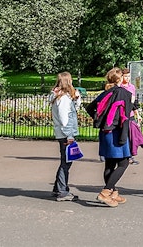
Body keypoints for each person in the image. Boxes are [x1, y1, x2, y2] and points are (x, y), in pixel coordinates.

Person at [86, 67, 134, 207]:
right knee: (124, 163)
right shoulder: (124, 93)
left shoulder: (106, 93)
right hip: (118, 131)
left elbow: (90, 107)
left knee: (110, 164)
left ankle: (113, 192)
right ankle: (105, 192)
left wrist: (99, 120)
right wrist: (124, 136)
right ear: (120, 79)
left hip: (105, 131)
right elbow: (125, 116)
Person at [48, 71, 81, 201]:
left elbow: (74, 110)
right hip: (66, 134)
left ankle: (58, 188)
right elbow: (64, 118)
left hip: (62, 133)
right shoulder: (63, 98)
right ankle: (62, 191)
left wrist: (77, 99)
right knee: (66, 162)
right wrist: (69, 135)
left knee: (66, 161)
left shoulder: (60, 96)